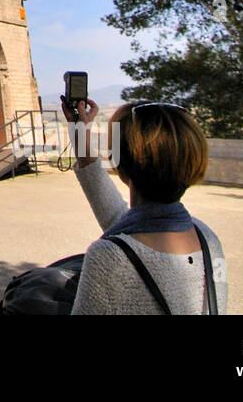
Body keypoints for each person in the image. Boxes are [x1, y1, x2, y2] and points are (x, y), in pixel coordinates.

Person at [61, 97, 228, 314]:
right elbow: (124, 223)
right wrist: (79, 135)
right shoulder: (208, 239)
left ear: (121, 166)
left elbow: (128, 242)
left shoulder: (108, 258)